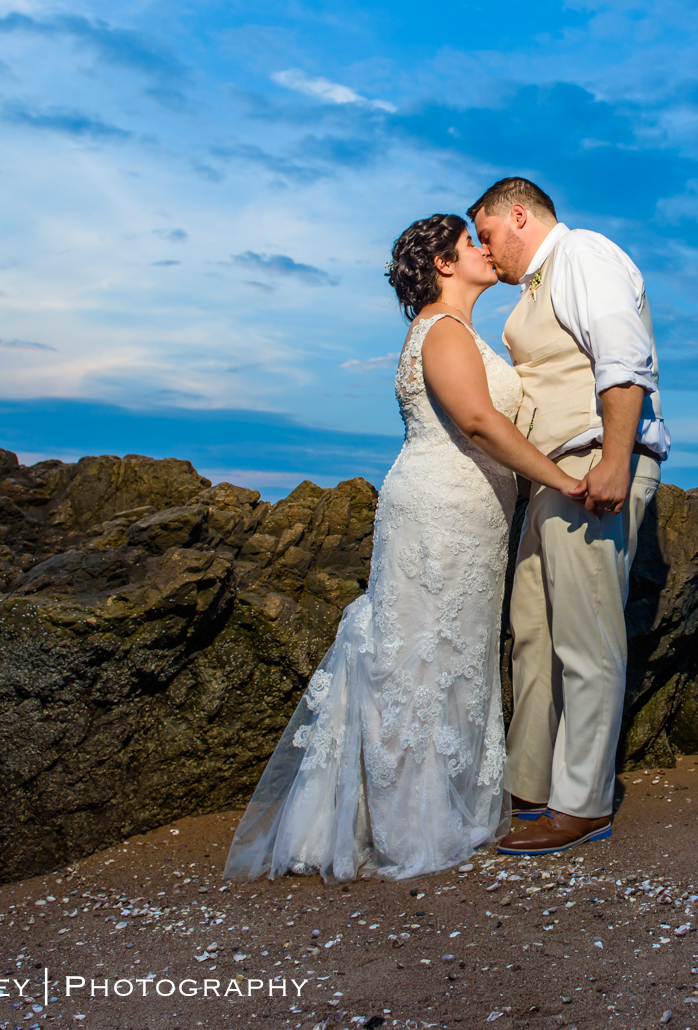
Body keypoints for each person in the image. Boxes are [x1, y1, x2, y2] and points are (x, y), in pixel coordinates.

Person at [223, 213, 585, 882]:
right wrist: (561, 478)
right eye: (470, 243)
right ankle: (406, 827)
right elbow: (477, 422)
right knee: (420, 656)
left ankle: (445, 811)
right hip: (438, 510)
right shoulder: (443, 332)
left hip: (472, 515)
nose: (484, 251)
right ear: (445, 264)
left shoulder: (461, 332)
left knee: (454, 656)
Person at [470, 177, 668, 856]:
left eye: (488, 234)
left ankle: (582, 802)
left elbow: (623, 355)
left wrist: (614, 459)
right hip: (553, 479)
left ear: (519, 215)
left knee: (587, 639)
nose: (484, 251)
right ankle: (531, 783)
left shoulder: (583, 254)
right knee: (533, 630)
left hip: (592, 469)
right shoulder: (537, 284)